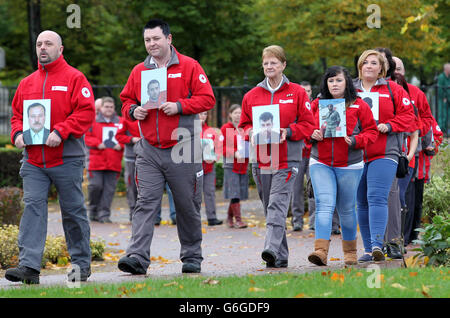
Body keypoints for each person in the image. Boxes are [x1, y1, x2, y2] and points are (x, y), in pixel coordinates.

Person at [118, 19, 215, 275]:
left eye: (156, 39)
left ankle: (192, 256)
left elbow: (208, 98)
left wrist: (180, 106)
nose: (151, 44)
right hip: (149, 148)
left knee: (187, 204)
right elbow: (126, 99)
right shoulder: (139, 71)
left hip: (183, 144)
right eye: (147, 40)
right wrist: (132, 110)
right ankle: (137, 257)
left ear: (169, 39)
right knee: (145, 203)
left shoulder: (190, 66)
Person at [7, 30, 95, 284]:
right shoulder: (27, 83)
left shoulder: (75, 78)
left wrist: (62, 130)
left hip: (67, 158)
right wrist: (17, 134)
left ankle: (80, 265)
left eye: (48, 43)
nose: (43, 48)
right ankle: (29, 268)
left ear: (60, 48)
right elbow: (16, 116)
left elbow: (86, 112)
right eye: (39, 44)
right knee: (33, 208)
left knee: (73, 211)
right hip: (34, 160)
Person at [239, 45, 315, 268]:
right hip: (260, 160)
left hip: (287, 159)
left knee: (277, 206)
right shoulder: (251, 95)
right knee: (269, 207)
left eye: (274, 62)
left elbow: (309, 124)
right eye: (266, 63)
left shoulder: (298, 93)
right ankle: (279, 256)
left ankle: (270, 248)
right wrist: (249, 132)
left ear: (283, 65)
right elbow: (243, 125)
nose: (269, 66)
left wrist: (289, 131)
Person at [307, 66, 378, 266]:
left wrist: (355, 140)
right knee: (324, 205)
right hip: (320, 162)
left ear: (346, 82)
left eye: (338, 80)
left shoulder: (359, 105)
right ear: (326, 84)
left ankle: (350, 252)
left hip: (350, 164)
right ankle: (320, 252)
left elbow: (372, 132)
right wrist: (311, 134)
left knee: (347, 209)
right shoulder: (316, 104)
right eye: (331, 81)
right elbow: (304, 128)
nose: (335, 84)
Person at [353, 50, 415, 263]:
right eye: (365, 63)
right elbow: (328, 113)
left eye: (374, 63)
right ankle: (369, 249)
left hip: (384, 151)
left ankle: (379, 244)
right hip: (355, 153)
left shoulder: (393, 89)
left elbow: (409, 118)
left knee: (377, 197)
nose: (369, 66)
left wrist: (389, 125)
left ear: (382, 68)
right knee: (361, 201)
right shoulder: (349, 91)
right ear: (360, 67)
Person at [85, 97, 124, 223]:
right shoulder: (92, 121)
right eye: (106, 107)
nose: (109, 109)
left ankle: (104, 214)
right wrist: (97, 143)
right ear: (101, 108)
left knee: (109, 190)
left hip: (114, 161)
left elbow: (127, 137)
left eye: (111, 107)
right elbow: (85, 137)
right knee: (95, 186)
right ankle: (93, 210)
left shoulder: (121, 122)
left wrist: (121, 144)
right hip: (96, 161)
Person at [220, 104, 249, 229]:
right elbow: (221, 147)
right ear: (230, 115)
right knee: (234, 191)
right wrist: (234, 152)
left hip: (243, 164)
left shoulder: (245, 129)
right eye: (235, 113)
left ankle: (229, 218)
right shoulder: (225, 128)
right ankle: (238, 220)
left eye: (240, 113)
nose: (238, 115)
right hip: (231, 164)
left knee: (238, 192)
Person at [199, 111, 223, 226]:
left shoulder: (212, 132)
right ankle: (193, 219)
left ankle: (212, 217)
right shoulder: (190, 131)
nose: (202, 116)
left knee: (210, 192)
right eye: (199, 114)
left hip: (209, 167)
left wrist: (214, 157)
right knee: (193, 194)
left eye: (204, 114)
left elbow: (218, 148)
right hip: (193, 169)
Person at [115, 117, 141, 222]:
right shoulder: (126, 119)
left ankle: (147, 214)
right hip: (131, 158)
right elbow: (119, 136)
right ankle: (133, 213)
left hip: (149, 157)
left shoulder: (151, 115)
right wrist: (132, 139)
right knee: (132, 186)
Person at [437, 63, 450, 134]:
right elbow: (439, 88)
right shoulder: (441, 77)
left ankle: (445, 130)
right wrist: (444, 97)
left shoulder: (448, 77)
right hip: (443, 99)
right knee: (442, 114)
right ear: (446, 69)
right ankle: (441, 130)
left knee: (447, 115)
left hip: (448, 99)